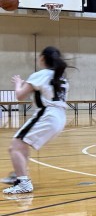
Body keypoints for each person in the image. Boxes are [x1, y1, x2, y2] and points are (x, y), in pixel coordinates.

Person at [4, 46, 69, 195]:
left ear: (42, 58)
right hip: (60, 117)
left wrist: (18, 84)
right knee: (21, 145)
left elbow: (20, 96)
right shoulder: (62, 78)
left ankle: (23, 183)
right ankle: (19, 175)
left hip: (47, 115)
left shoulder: (40, 75)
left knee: (15, 146)